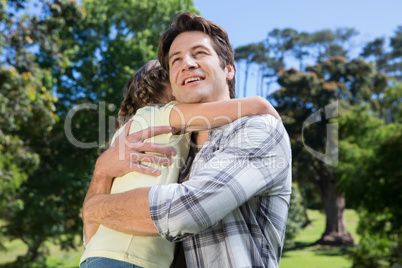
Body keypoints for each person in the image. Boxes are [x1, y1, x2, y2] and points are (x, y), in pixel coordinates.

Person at [83, 12, 292, 268]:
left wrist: (95, 207)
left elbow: (183, 214)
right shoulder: (169, 144)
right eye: (176, 60)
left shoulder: (256, 128)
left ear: (228, 69)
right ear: (171, 80)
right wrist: (101, 172)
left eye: (200, 53)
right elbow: (91, 242)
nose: (187, 63)